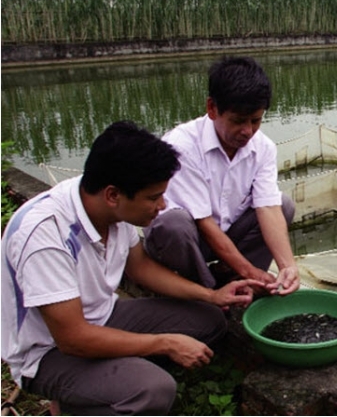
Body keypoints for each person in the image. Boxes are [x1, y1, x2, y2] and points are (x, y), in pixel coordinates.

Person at [1, 121, 263, 416]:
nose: (163, 205)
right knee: (153, 390)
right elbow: (73, 338)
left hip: (102, 316)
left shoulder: (105, 205)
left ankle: (88, 393)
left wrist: (211, 296)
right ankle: (77, 405)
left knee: (210, 320)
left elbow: (140, 267)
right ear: (113, 195)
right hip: (50, 353)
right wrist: (165, 343)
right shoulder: (45, 237)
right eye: (153, 198)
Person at [143, 56, 300, 295]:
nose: (247, 131)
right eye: (238, 121)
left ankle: (240, 281)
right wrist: (249, 270)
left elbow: (268, 208)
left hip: (226, 232)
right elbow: (203, 223)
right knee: (172, 225)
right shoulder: (182, 145)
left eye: (256, 120)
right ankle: (205, 290)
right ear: (212, 109)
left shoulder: (263, 147)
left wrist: (287, 265)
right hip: (186, 240)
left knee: (283, 205)